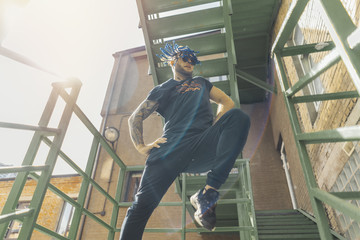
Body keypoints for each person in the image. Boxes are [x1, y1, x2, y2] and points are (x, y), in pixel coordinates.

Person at [119, 42, 250, 240]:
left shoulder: (201, 82)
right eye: (184, 58)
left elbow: (227, 102)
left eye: (192, 59)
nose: (189, 62)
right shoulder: (163, 89)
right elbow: (134, 118)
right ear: (173, 61)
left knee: (239, 118)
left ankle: (207, 193)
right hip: (168, 151)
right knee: (141, 207)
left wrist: (215, 125)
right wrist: (141, 146)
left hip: (199, 145)